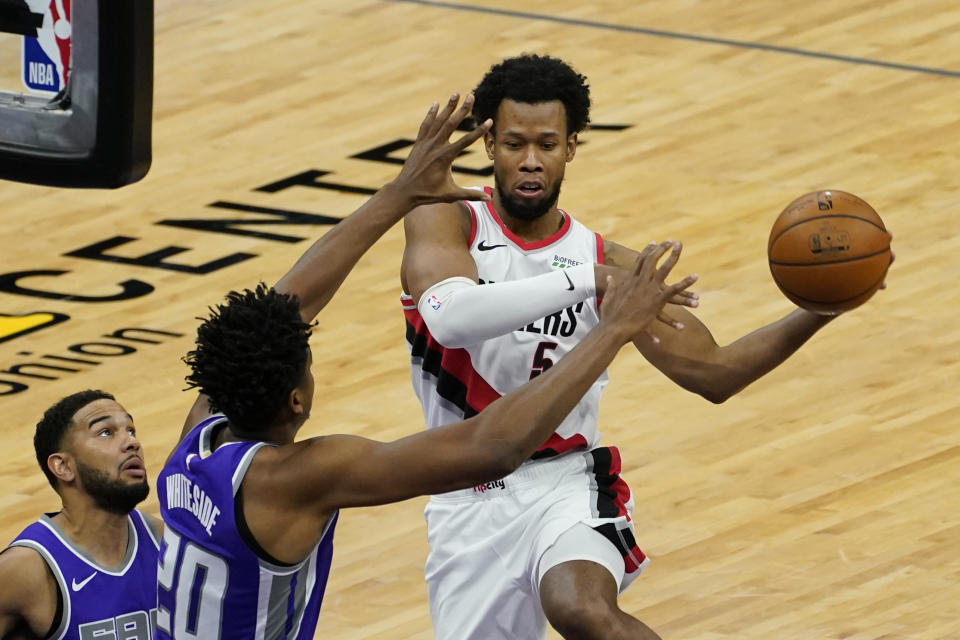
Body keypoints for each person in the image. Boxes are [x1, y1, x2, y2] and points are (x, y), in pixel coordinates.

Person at [154, 93, 697, 639]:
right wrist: (612, 329)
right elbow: (494, 448)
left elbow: (279, 311)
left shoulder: (195, 440)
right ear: (297, 400)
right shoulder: (302, 476)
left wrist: (398, 196)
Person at [399, 54, 886, 640]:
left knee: (583, 610)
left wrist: (820, 308)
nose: (530, 162)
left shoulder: (617, 265)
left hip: (565, 484)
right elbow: (450, 319)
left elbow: (715, 373)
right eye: (514, 144)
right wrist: (586, 279)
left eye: (547, 145)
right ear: (489, 146)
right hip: (464, 497)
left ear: (571, 148)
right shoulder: (449, 221)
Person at [0, 390, 162, 640]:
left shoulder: (165, 540)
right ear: (63, 466)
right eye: (106, 432)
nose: (132, 442)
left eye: (131, 430)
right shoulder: (26, 570)